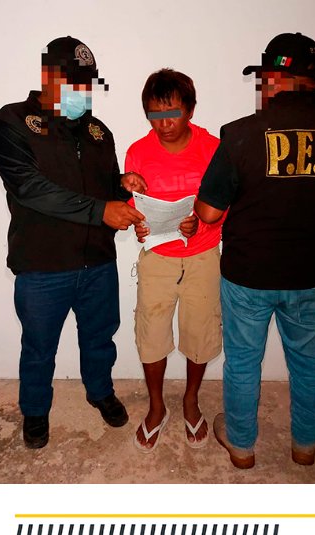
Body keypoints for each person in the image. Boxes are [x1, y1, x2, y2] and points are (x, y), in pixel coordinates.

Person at [195, 32, 315, 469]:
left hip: (248, 276)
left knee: (243, 362)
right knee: (309, 363)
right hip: (313, 274)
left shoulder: (240, 133)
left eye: (263, 78)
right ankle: (305, 447)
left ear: (276, 78)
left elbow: (208, 212)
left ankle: (242, 447)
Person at [0, 36, 146, 449]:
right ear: (48, 75)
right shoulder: (12, 122)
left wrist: (123, 186)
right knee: (39, 347)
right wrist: (102, 211)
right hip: (42, 266)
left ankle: (100, 391)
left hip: (98, 263)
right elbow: (30, 188)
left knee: (100, 338)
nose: (81, 90)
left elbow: (103, 187)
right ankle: (35, 410)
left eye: (86, 82)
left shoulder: (98, 131)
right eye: (72, 81)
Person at [123, 68, 222, 452]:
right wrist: (139, 225)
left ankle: (190, 400)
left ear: (190, 110)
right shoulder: (138, 151)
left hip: (202, 254)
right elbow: (134, 205)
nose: (163, 124)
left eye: (172, 114)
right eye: (154, 114)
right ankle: (156, 406)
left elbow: (226, 201)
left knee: (200, 333)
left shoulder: (213, 148)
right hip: (158, 257)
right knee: (151, 335)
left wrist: (203, 220)